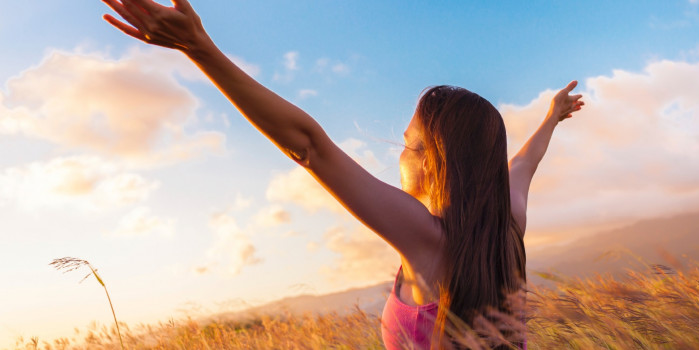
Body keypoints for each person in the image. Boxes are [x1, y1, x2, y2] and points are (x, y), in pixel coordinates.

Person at [99, 0, 584, 348]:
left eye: (409, 144)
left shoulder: (426, 238)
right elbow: (522, 163)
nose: (400, 154)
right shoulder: (509, 218)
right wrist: (552, 117)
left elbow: (309, 146)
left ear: (437, 162)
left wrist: (199, 48)